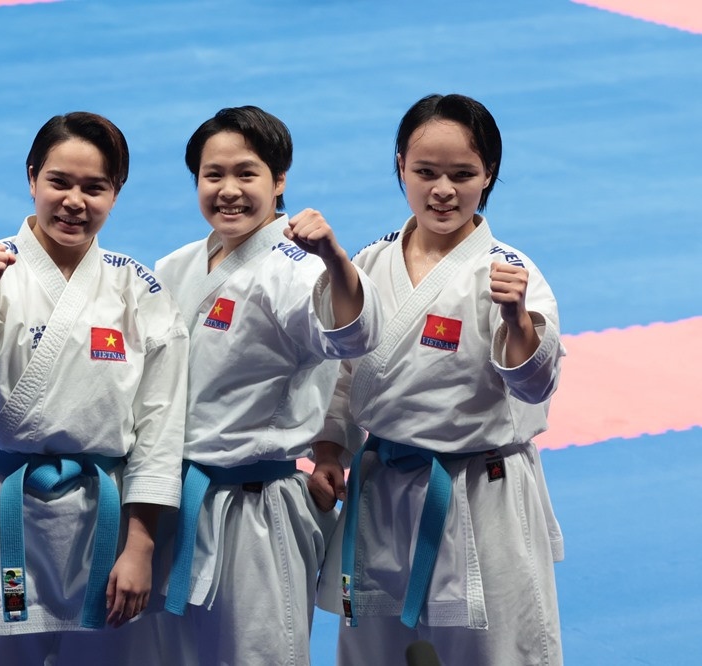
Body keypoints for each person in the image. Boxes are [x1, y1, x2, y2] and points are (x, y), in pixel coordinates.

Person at [0, 112, 189, 665]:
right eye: (59, 182)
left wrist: (141, 547)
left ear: (115, 193)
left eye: (94, 187)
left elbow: (160, 428)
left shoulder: (139, 288)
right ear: (32, 178)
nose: (74, 201)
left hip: (98, 524)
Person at [310, 93, 565, 665]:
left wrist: (517, 319)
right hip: (383, 486)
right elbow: (346, 375)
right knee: (376, 653)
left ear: (488, 175)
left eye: (462, 174)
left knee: (497, 652)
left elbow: (535, 385)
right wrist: (330, 450)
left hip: (481, 490)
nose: (442, 190)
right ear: (401, 165)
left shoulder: (510, 271)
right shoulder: (370, 263)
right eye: (425, 172)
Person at [136, 105, 383, 666]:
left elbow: (352, 336)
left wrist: (337, 260)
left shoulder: (297, 267)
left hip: (255, 510)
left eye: (246, 174)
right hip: (177, 500)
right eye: (212, 175)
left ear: (279, 181)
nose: (229, 191)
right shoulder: (175, 267)